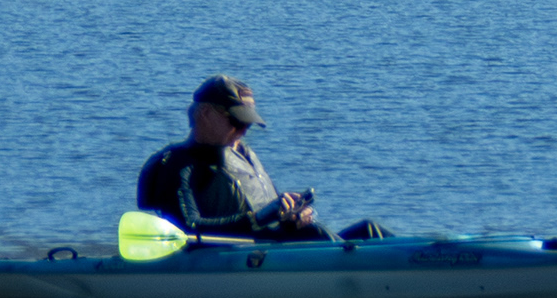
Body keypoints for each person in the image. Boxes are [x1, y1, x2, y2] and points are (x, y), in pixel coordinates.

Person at [136, 75, 380, 241]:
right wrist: (259, 219)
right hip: (233, 259)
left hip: (274, 247)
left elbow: (271, 215)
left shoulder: (244, 154)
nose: (244, 130)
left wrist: (292, 216)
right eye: (237, 121)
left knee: (369, 229)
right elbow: (188, 229)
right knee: (317, 235)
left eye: (248, 124)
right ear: (205, 114)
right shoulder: (178, 165)